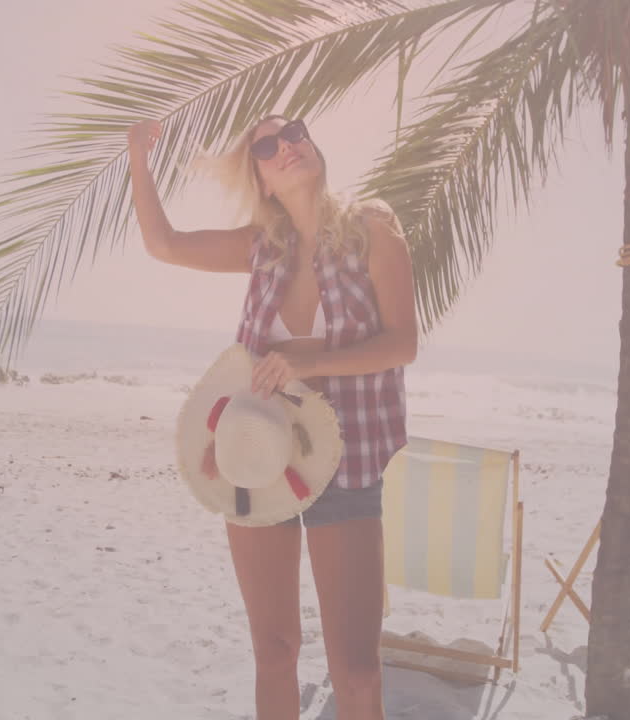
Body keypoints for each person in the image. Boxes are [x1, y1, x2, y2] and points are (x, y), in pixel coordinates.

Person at [127, 114, 416, 720]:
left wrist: (314, 361)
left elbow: (401, 345)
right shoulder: (263, 248)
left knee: (358, 670)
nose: (287, 146)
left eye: (295, 133)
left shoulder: (372, 231)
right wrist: (137, 157)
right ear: (259, 178)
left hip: (350, 459)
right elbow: (165, 245)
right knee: (275, 649)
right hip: (255, 457)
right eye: (266, 145)